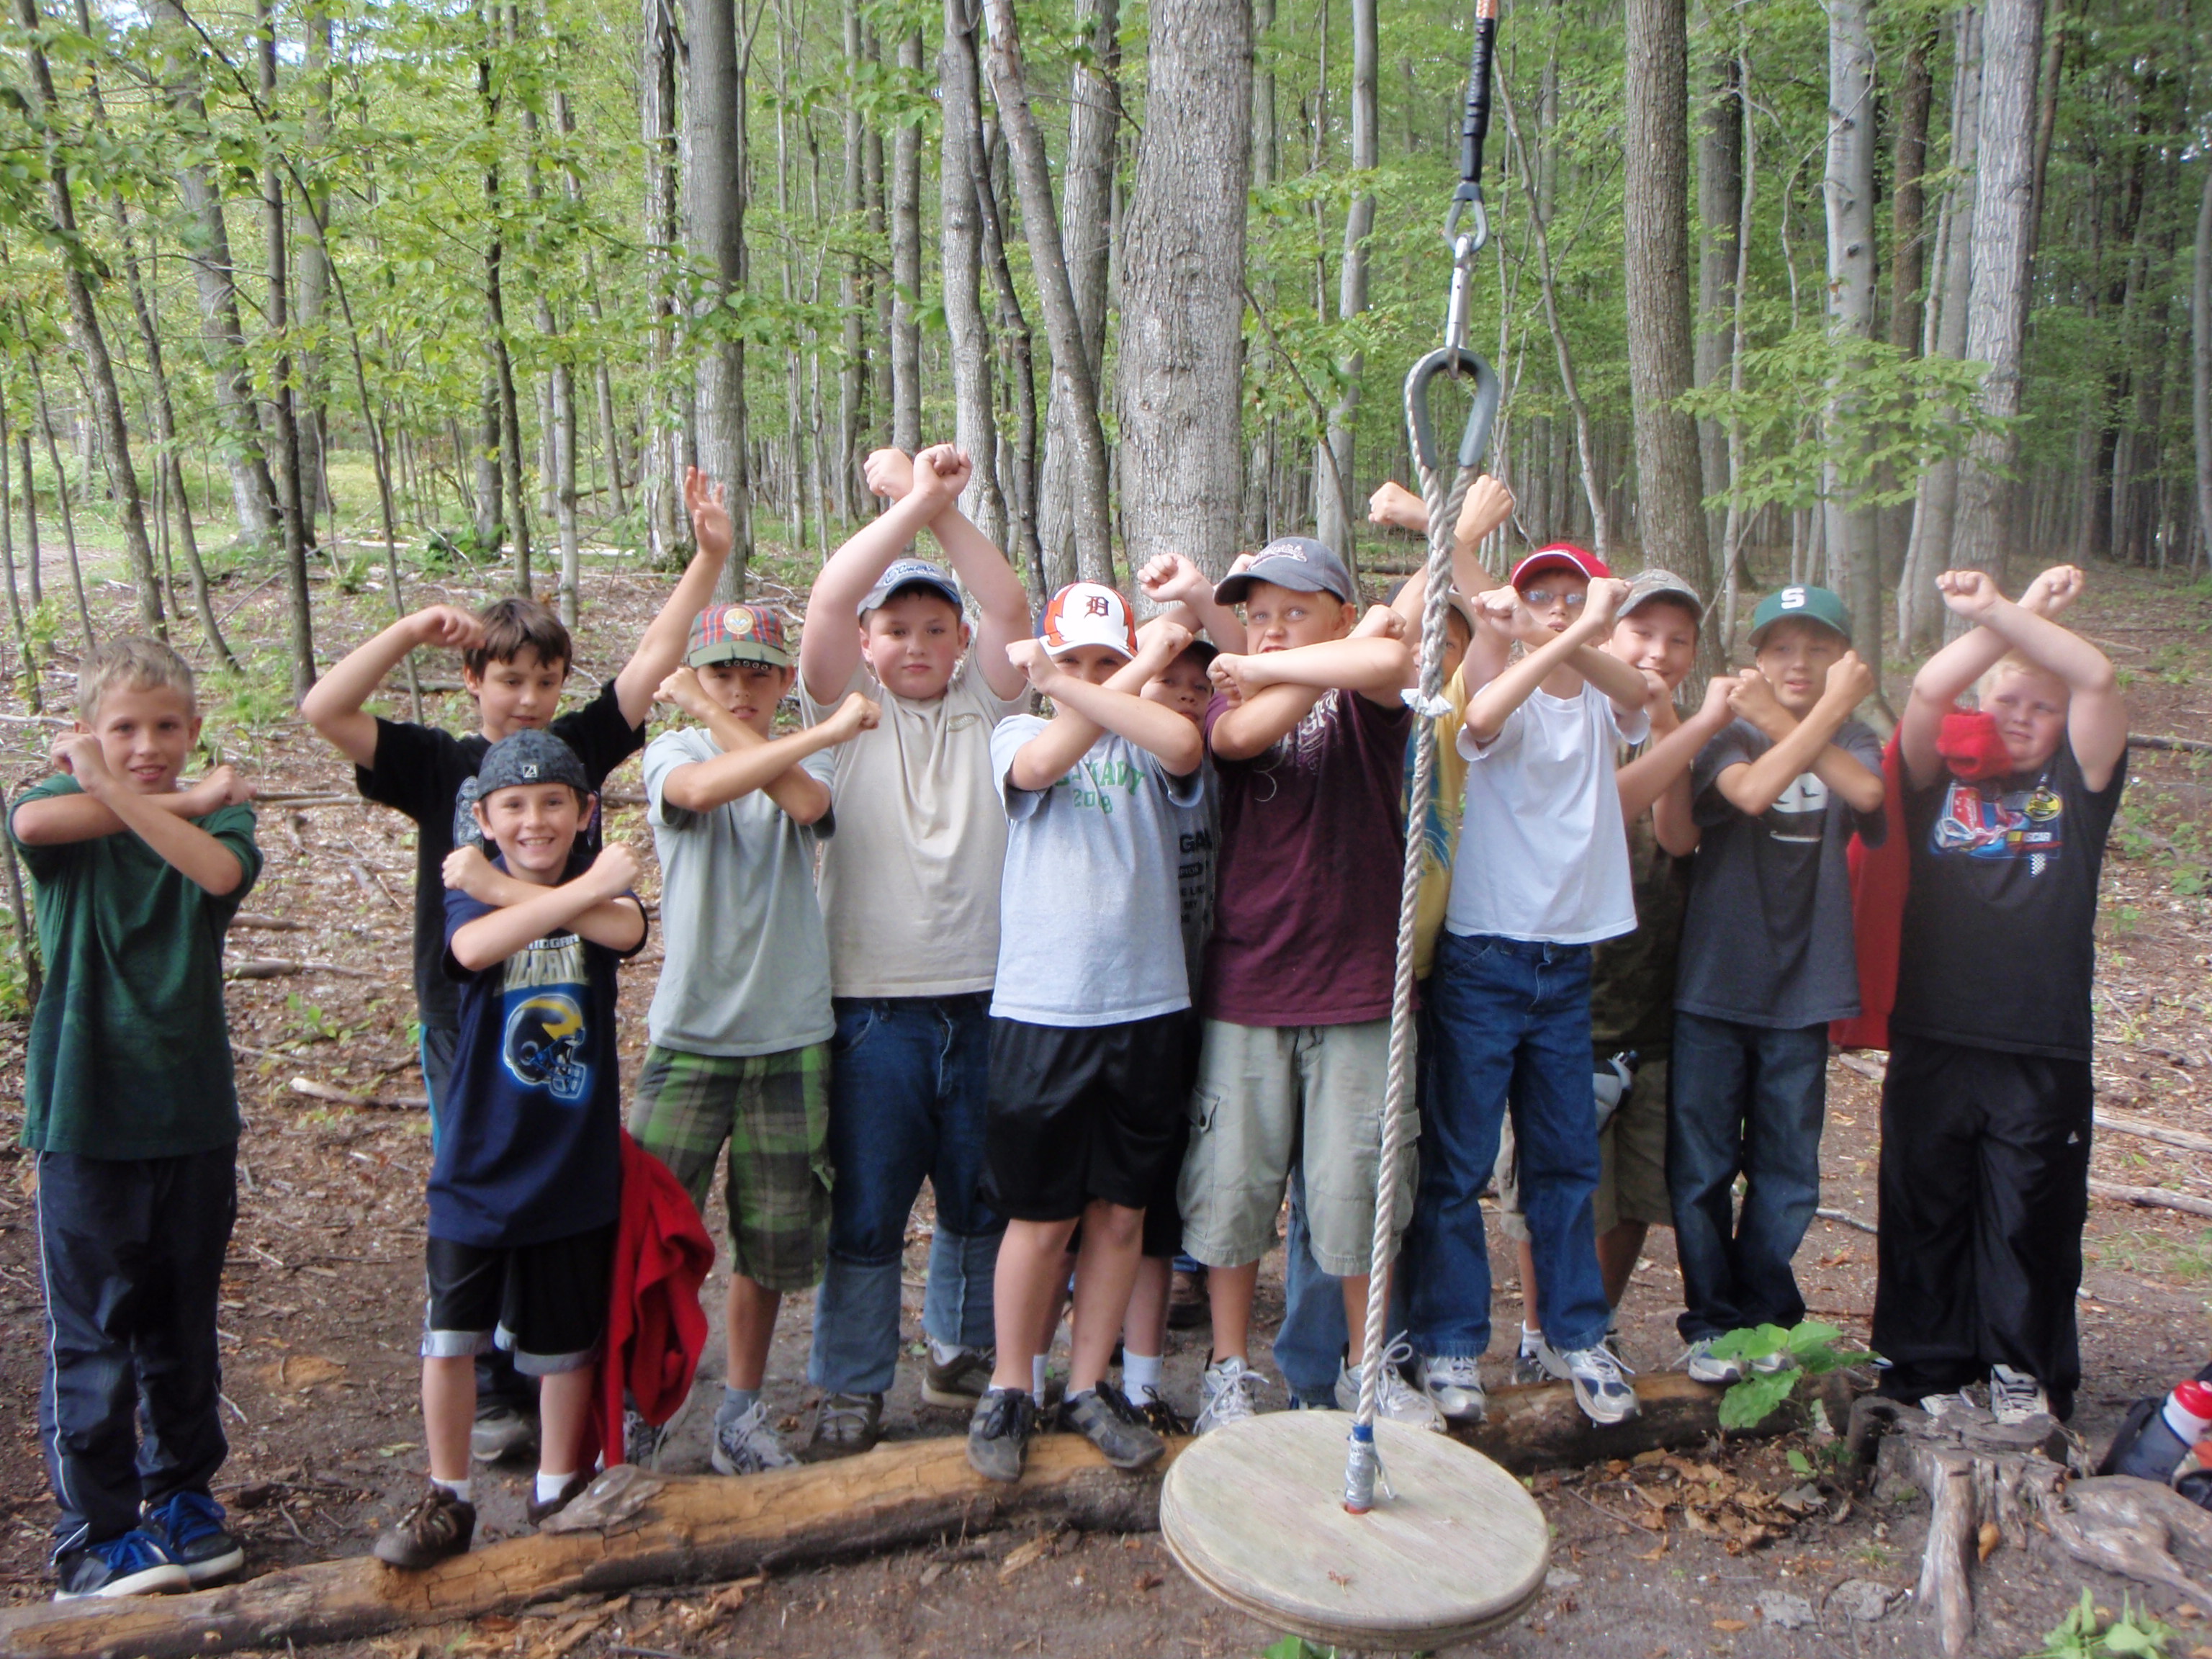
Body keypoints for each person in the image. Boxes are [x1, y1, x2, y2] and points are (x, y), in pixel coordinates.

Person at [300, 469, 732, 1462]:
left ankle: (549, 1373)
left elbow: (654, 658)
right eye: (509, 681)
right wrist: (408, 630)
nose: (529, 699)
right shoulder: (438, 764)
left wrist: (709, 556)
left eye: (545, 680)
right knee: (476, 1182)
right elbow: (325, 708)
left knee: (555, 1180)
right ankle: (490, 1383)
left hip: (563, 1009)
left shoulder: (574, 751)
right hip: (462, 1012)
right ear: (474, 683)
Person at [797, 444, 1033, 1455]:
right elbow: (827, 599)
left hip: (990, 998)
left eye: (937, 628)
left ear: (962, 641)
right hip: (871, 1006)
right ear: (866, 642)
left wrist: (939, 506)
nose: (917, 645)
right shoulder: (844, 713)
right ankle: (853, 1383)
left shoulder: (990, 705)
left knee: (980, 1195)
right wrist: (911, 503)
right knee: (869, 1205)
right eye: (895, 629)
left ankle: (961, 1350)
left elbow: (1010, 606)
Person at [14, 639, 261, 1600]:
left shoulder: (219, 818)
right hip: (86, 1117)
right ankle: (94, 1534)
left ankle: (183, 1495)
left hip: (191, 1116)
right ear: (86, 734)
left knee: (181, 1326)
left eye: (166, 728)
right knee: (94, 1334)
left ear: (193, 730)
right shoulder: (65, 812)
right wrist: (158, 795)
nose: (147, 746)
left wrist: (156, 797)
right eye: (123, 730)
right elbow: (34, 821)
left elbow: (216, 874)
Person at [1178, 535, 1438, 1436]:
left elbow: (1389, 663)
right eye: (1258, 616)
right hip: (1248, 984)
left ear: (1340, 614)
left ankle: (1369, 1369)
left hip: (1360, 985)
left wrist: (1274, 660)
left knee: (1357, 1192)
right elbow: (1244, 735)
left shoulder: (1363, 702)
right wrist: (1263, 667)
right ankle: (1228, 1368)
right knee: (1233, 1191)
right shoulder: (1229, 702)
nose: (1273, 630)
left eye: (1297, 612)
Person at [1268, 476, 1513, 1419]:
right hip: (1358, 974)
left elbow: (1490, 635)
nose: (1434, 656)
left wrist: (1451, 538)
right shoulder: (1362, 710)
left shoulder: (1459, 715)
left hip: (1442, 970)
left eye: (1450, 647)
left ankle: (1391, 1346)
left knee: (1396, 1170)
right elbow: (1394, 630)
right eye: (1425, 644)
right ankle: (1312, 1368)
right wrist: (1445, 528)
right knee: (1332, 1176)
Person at [373, 731, 649, 1568]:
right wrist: (546, 888)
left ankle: (558, 1485)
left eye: (554, 803)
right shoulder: (473, 894)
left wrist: (515, 888)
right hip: (479, 1160)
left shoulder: (572, 886)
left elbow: (625, 929)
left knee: (565, 1343)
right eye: (514, 807)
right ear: (485, 819)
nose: (536, 821)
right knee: (451, 1336)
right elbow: (472, 948)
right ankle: (448, 1496)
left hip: (571, 1161)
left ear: (584, 811)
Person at [626, 604, 880, 1474]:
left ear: (781, 683)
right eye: (720, 674)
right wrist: (704, 714)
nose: (739, 690)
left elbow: (804, 802)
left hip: (790, 1036)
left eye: (758, 675)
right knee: (653, 1233)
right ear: (696, 678)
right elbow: (699, 795)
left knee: (770, 1242)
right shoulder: (675, 751)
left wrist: (805, 734)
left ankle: (740, 1411)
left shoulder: (806, 759)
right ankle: (640, 1405)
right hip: (691, 1036)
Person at [1402, 546, 1652, 1427]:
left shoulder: (1605, 696)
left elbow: (1639, 695)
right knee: (1460, 1161)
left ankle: (1575, 1334)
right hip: (1485, 954)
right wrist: (1542, 632)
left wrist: (1581, 634)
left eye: (1574, 595)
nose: (1557, 607)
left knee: (1565, 1160)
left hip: (1567, 959)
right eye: (1540, 593)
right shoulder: (1501, 673)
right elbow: (1481, 719)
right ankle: (1450, 1342)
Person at [1873, 565, 2124, 1424]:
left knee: (2031, 1211)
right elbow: (1928, 689)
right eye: (2007, 700)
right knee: (1926, 1201)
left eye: (2042, 708)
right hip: (1935, 1030)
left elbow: (2096, 678)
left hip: (2038, 1040)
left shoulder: (2079, 789)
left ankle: (2022, 1366)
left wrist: (2009, 615)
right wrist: (2009, 617)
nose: (2022, 717)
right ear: (1981, 702)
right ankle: (1925, 1366)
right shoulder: (1937, 775)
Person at [964, 591, 1206, 1480]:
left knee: (1122, 1211)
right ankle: (1010, 1383)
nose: (1096, 678)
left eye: (1112, 660)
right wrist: (1088, 681)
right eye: (1076, 662)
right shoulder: (1018, 731)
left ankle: (1089, 1383)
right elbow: (1041, 765)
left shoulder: (1148, 737)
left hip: (1147, 1007)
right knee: (1042, 1215)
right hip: (1046, 1010)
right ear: (1049, 666)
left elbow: (1184, 745)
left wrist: (1095, 679)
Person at [1498, 570, 1736, 1385]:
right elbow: (1604, 805)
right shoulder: (1565, 710)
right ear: (1606, 634)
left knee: (1635, 1190)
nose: (1658, 652)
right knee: (1549, 1185)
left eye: (1678, 640)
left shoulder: (1694, 734)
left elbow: (1676, 836)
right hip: (1567, 1000)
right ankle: (1538, 1333)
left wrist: (1676, 723)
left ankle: (1591, 1326)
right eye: (1642, 634)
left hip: (1655, 1004)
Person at [1671, 584, 1883, 1383]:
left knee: (1789, 1170)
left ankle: (1765, 1319)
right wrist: (1807, 715)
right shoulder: (1727, 734)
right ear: (1756, 659)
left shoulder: (1855, 736)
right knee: (1701, 1168)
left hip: (1807, 986)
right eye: (1782, 649)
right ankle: (1710, 1322)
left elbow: (1867, 793)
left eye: (1819, 649)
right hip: (1714, 982)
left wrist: (1809, 717)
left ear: (1844, 660)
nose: (1799, 663)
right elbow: (1752, 792)